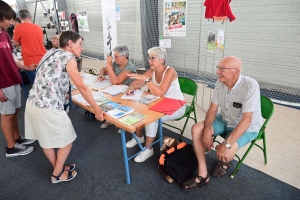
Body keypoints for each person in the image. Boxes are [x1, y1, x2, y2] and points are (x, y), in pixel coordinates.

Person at [24, 30, 105, 183]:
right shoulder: (69, 58)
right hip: (48, 106)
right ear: (70, 44)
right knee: (67, 140)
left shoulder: (50, 52)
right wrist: (97, 109)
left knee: (45, 139)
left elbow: (50, 77)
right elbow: (81, 86)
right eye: (80, 44)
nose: (82, 48)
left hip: (33, 103)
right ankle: (57, 175)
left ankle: (59, 168)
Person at [182, 56, 263, 191]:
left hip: (247, 127)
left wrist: (226, 144)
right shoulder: (220, 82)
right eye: (218, 68)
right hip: (225, 119)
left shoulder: (250, 85)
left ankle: (225, 161)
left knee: (226, 153)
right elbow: (212, 109)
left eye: (222, 69)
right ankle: (203, 175)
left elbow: (246, 120)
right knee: (197, 128)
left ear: (236, 72)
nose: (217, 72)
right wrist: (207, 130)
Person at [125, 47, 186, 162]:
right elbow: (138, 82)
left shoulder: (170, 71)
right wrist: (131, 87)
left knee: (151, 117)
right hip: (160, 103)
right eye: (149, 58)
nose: (150, 61)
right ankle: (139, 137)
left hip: (177, 105)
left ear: (162, 60)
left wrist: (147, 80)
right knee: (138, 107)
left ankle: (148, 149)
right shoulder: (152, 71)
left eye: (153, 58)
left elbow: (160, 92)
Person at [0, 1, 36, 158]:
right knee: (6, 114)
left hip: (13, 77)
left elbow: (10, 59)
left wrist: (25, 67)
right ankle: (11, 147)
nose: (11, 22)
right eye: (8, 19)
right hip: (3, 82)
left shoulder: (3, 34)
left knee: (14, 111)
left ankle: (17, 137)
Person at [97, 45, 136, 129]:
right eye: (114, 56)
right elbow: (103, 70)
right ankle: (110, 119)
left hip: (127, 94)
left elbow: (116, 81)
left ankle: (122, 125)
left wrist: (109, 65)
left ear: (124, 57)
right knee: (106, 98)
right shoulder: (116, 64)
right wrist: (101, 75)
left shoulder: (130, 67)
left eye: (116, 56)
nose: (114, 58)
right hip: (115, 91)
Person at [12, 9, 46, 84]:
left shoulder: (18, 28)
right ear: (30, 17)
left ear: (20, 18)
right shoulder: (38, 27)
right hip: (43, 58)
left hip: (30, 61)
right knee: (44, 83)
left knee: (35, 85)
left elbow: (15, 43)